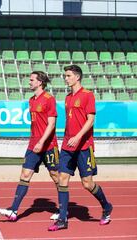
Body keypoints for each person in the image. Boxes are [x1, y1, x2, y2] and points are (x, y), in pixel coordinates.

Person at [48, 65, 113, 231]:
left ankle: (106, 206)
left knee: (87, 183)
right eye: (65, 75)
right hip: (67, 147)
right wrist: (68, 138)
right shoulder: (68, 97)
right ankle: (62, 219)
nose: (66, 78)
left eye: (68, 75)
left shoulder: (87, 95)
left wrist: (78, 137)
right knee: (62, 178)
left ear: (77, 77)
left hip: (84, 146)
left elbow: (90, 120)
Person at [0, 71, 59, 221]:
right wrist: (35, 142)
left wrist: (41, 142)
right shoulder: (31, 100)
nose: (29, 82)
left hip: (49, 145)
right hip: (33, 145)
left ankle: (63, 210)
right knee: (25, 175)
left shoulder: (49, 99)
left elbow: (51, 124)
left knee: (56, 176)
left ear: (40, 82)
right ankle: (14, 210)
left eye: (32, 80)